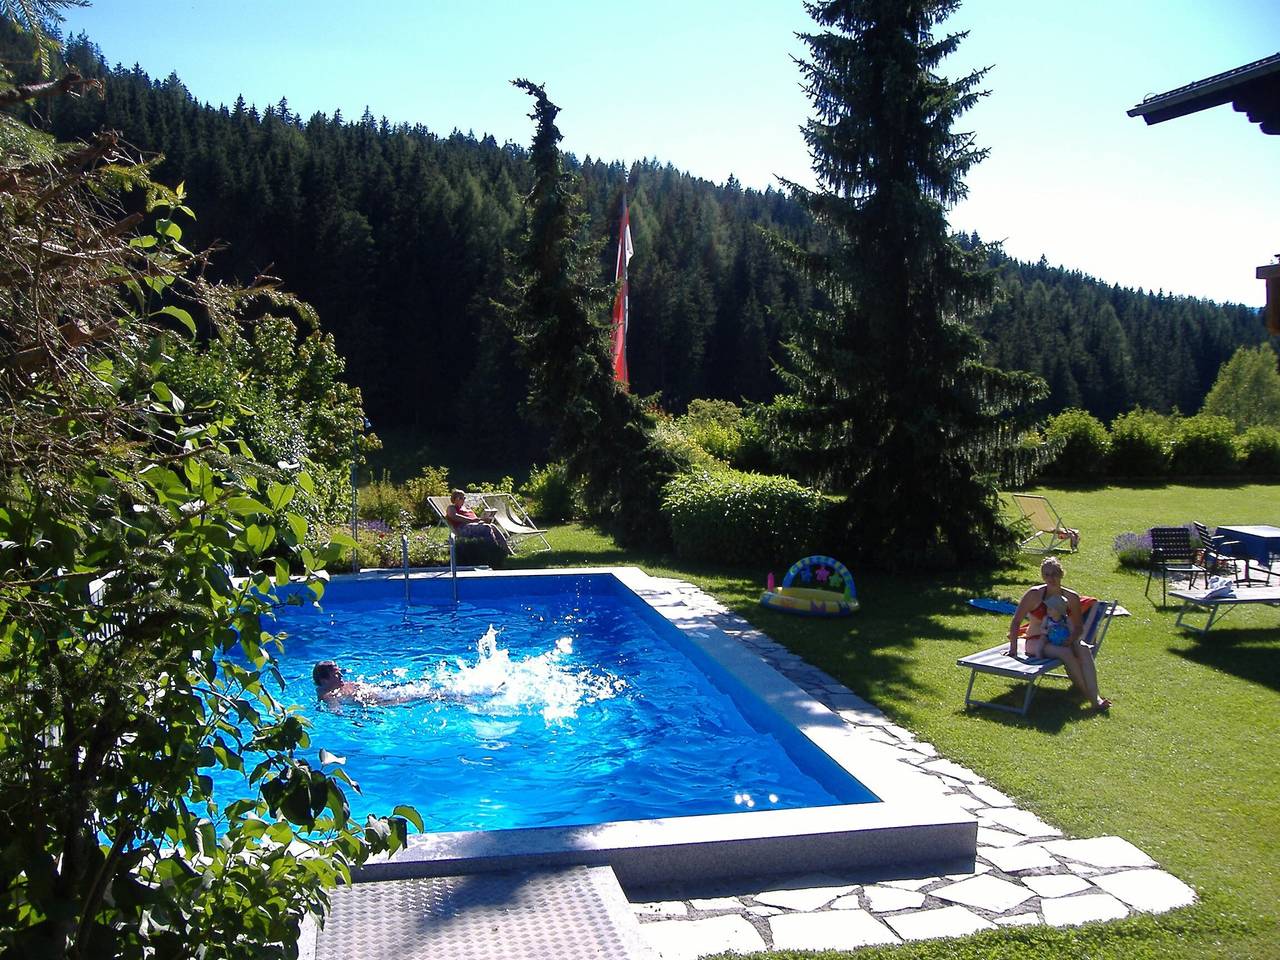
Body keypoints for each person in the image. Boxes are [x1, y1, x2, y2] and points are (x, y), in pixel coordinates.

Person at [1005, 556, 1111, 711]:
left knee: (1084, 649)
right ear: (1042, 576)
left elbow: (1078, 627)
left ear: (1061, 574)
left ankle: (1095, 696)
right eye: (1047, 575)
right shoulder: (1034, 595)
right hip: (1036, 641)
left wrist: (1071, 639)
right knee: (1066, 653)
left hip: (1063, 638)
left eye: (1054, 574)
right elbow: (1016, 622)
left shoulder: (1071, 597)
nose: (1051, 578)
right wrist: (1013, 649)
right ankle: (1093, 699)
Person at [312, 660, 436, 707]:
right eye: (336, 674)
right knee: (422, 696)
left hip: (378, 692)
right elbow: (336, 712)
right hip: (378, 700)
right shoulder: (328, 695)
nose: (341, 676)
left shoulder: (337, 687)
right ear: (324, 680)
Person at [444, 488, 511, 555]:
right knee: (487, 528)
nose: (463, 500)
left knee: (493, 526)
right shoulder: (451, 508)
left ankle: (506, 548)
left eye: (464, 497)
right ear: (454, 499)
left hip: (473, 525)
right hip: (462, 528)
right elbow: (455, 517)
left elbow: (475, 518)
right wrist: (473, 520)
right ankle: (494, 550)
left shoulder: (466, 508)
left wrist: (483, 520)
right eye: (460, 498)